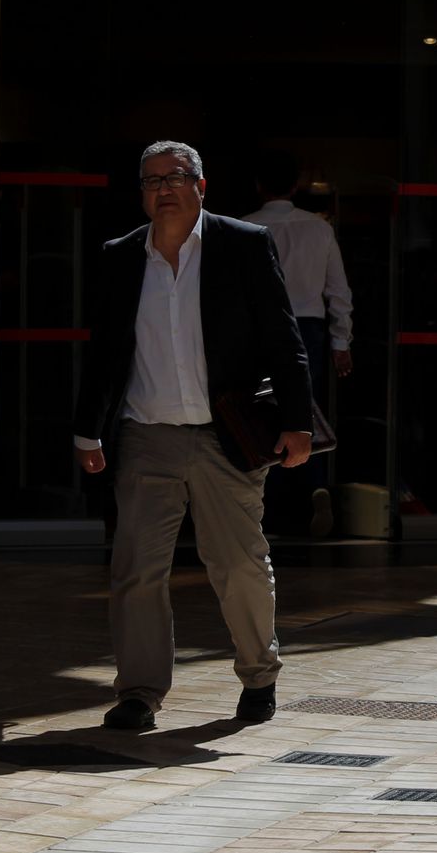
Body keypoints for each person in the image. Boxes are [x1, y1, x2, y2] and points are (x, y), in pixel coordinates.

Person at [73, 141, 313, 732]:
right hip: (145, 434)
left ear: (201, 186)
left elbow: (284, 339)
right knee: (135, 571)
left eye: (176, 177)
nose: (164, 189)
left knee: (237, 565)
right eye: (151, 180)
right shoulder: (121, 255)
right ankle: (139, 692)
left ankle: (259, 676)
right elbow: (104, 351)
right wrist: (87, 430)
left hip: (224, 435)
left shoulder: (243, 246)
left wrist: (298, 420)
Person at [243, 150, 355, 537]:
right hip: (308, 327)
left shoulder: (243, 227)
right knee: (306, 413)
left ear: (259, 186)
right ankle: (314, 482)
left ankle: (269, 508)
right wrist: (341, 341)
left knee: (262, 415)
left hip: (259, 329)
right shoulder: (320, 229)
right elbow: (338, 291)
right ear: (295, 185)